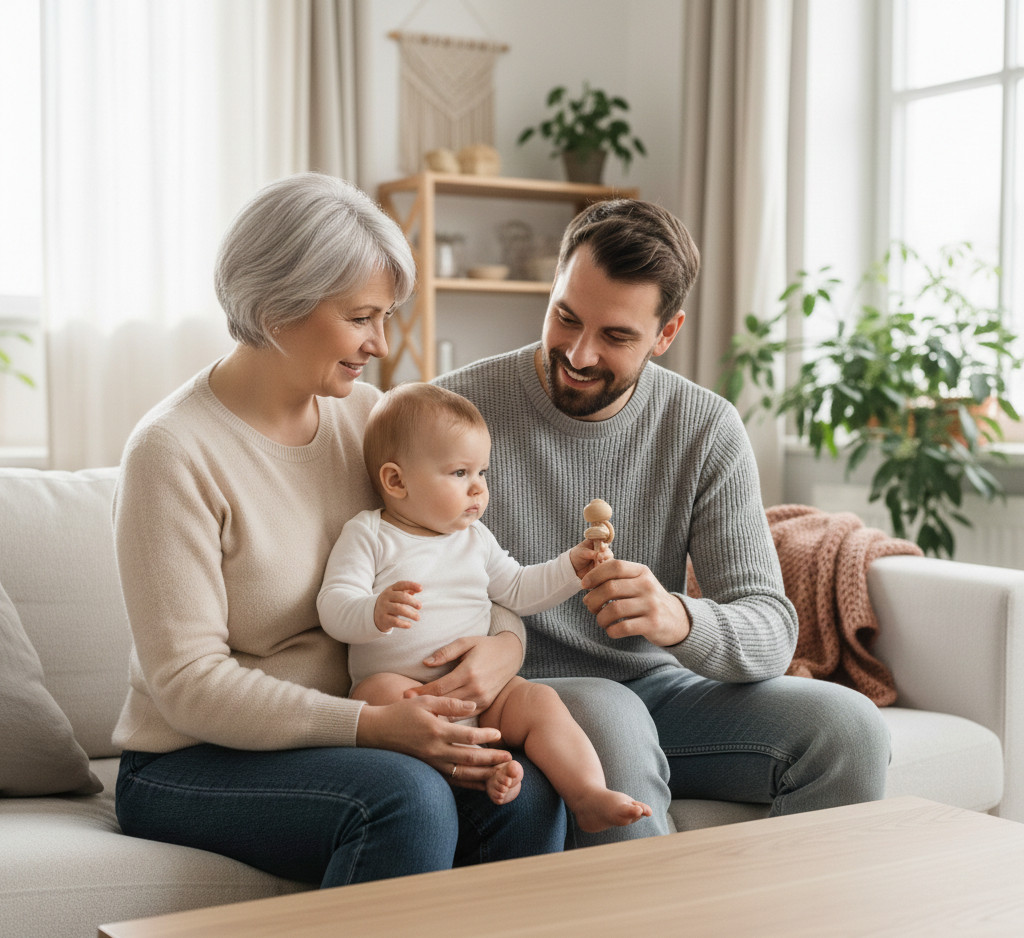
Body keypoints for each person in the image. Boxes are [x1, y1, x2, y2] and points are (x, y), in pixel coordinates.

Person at [111, 172, 566, 890]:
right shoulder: (174, 451)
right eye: (361, 318)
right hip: (192, 759)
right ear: (275, 306)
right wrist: (370, 727)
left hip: (367, 726)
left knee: (527, 795)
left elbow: (478, 561)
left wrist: (501, 650)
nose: (381, 344)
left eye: (385, 316)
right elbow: (189, 686)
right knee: (406, 802)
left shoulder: (369, 420)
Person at [436, 198, 892, 848]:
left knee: (849, 729)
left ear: (666, 333)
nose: (579, 353)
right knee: (614, 719)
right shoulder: (456, 410)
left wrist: (677, 618)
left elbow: (771, 629)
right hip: (524, 693)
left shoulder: (704, 428)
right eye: (565, 317)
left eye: (616, 336)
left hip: (662, 687)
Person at [317, 382, 652, 832]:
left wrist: (572, 567)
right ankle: (481, 767)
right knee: (376, 695)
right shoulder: (369, 534)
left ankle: (587, 793)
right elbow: (333, 606)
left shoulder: (475, 538)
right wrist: (373, 611)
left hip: (486, 694)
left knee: (539, 700)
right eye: (459, 474)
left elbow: (517, 588)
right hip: (406, 690)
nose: (477, 489)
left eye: (482, 473)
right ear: (396, 481)